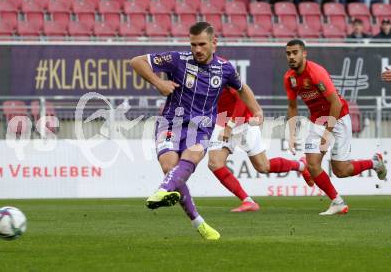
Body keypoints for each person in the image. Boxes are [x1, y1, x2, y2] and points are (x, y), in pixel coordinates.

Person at [130, 22, 263, 240]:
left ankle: (162, 191)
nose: (197, 50)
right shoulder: (177, 59)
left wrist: (256, 109)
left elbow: (241, 88)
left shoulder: (225, 68)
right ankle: (197, 221)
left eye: (202, 44)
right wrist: (158, 83)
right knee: (169, 167)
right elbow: (137, 62)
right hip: (170, 122)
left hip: (201, 127)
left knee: (190, 157)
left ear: (214, 43)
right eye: (193, 45)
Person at [284, 39, 387, 215]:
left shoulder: (316, 73)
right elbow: (292, 107)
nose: (291, 57)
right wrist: (291, 134)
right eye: (288, 53)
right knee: (312, 164)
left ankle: (374, 162)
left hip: (338, 118)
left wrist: (327, 133)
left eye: (295, 52)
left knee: (341, 170)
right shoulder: (290, 78)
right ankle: (337, 202)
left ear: (304, 53)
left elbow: (336, 104)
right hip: (317, 121)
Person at [208, 86, 314, 212]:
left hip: (244, 123)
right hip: (221, 122)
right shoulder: (192, 71)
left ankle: (301, 166)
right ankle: (248, 201)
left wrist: (230, 126)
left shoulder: (223, 69)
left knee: (263, 167)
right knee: (215, 163)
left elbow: (242, 98)